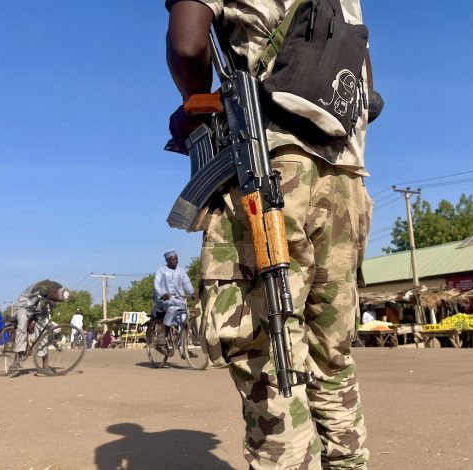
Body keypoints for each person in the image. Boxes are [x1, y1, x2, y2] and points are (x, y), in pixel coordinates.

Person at [164, 1, 375, 467]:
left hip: (271, 164)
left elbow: (187, 43)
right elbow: (368, 90)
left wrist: (198, 105)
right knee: (332, 357)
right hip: (346, 179)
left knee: (268, 351)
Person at [12, 280, 70, 369]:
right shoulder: (44, 289)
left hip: (40, 302)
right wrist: (31, 319)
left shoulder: (58, 289)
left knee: (44, 331)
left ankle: (45, 365)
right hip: (25, 302)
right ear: (55, 294)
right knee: (23, 323)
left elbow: (47, 305)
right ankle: (16, 359)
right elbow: (30, 305)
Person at [153, 250, 195, 340]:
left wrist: (192, 293)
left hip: (178, 299)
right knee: (171, 308)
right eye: (173, 259)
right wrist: (162, 294)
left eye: (177, 259)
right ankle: (163, 334)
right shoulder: (161, 271)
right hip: (163, 299)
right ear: (167, 260)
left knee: (184, 318)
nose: (176, 261)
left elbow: (186, 283)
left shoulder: (181, 271)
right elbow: (157, 285)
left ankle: (183, 347)